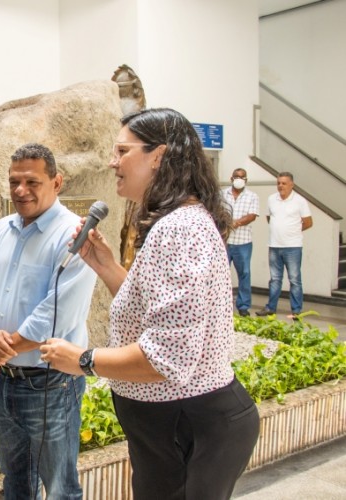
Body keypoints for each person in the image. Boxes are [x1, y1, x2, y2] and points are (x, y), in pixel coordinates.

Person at [39, 108, 260, 500]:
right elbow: (157, 315)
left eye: (122, 151)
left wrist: (83, 360)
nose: (113, 162)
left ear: (158, 156)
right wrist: (107, 266)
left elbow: (166, 358)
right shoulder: (175, 222)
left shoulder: (178, 230)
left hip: (188, 426)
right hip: (172, 429)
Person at [0, 143, 97, 499]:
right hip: (3, 382)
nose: (21, 191)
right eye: (14, 182)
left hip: (50, 386)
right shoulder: (0, 230)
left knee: (59, 489)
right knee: (16, 483)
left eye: (32, 182)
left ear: (57, 182)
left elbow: (55, 315)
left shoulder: (73, 237)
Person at [257, 172, 313, 318]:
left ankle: (296, 310)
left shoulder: (300, 201)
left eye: (284, 183)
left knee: (294, 279)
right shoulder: (271, 199)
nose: (280, 186)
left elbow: (308, 222)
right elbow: (269, 218)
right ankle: (270, 308)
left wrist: (292, 231)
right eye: (279, 183)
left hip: (293, 247)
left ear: (291, 185)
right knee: (275, 279)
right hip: (274, 246)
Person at [222, 168, 259, 316]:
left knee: (244, 274)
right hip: (224, 241)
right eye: (237, 177)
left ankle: (243, 306)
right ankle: (222, 305)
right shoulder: (222, 194)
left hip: (243, 242)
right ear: (231, 178)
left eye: (242, 177)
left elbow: (252, 215)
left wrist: (234, 223)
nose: (239, 179)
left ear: (246, 180)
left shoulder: (252, 196)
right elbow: (216, 211)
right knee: (222, 274)